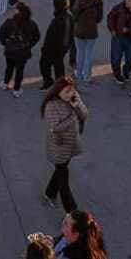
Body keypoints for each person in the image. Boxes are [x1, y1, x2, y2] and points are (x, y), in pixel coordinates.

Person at [41, 75, 88, 213]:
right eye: (66, 91)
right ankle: (72, 211)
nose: (70, 94)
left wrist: (77, 105)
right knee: (64, 179)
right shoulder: (51, 106)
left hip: (71, 143)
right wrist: (72, 116)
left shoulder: (74, 97)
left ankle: (49, 193)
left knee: (61, 170)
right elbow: (55, 128)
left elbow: (85, 115)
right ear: (58, 92)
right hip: (58, 146)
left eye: (71, 90)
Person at [0, 1, 42, 97]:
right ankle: (16, 89)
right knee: (19, 71)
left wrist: (5, 43)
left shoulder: (9, 22)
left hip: (10, 51)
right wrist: (29, 45)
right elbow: (37, 37)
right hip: (23, 52)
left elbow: (1, 34)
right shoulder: (32, 24)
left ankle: (5, 83)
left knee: (9, 67)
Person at [70, 0, 103, 84]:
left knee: (80, 53)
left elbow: (74, 12)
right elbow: (99, 17)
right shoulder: (98, 0)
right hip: (92, 30)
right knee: (89, 54)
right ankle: (87, 76)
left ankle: (79, 74)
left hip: (79, 29)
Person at [40, 0, 72, 90]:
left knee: (45, 64)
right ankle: (60, 83)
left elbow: (51, 37)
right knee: (58, 65)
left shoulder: (58, 20)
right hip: (63, 47)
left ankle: (49, 82)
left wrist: (45, 48)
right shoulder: (68, 17)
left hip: (54, 48)